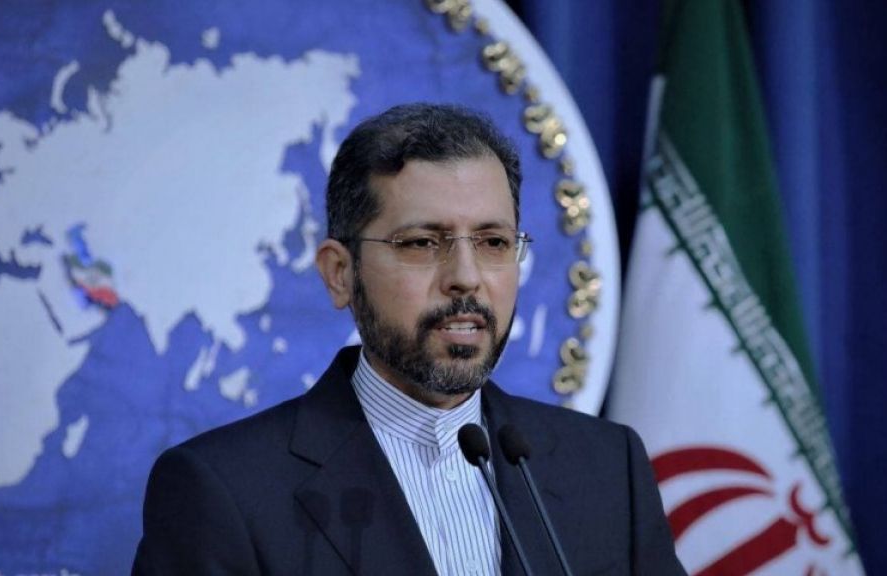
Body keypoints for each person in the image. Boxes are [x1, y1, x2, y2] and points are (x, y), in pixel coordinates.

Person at [132, 103, 685, 575]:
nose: (466, 277)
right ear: (340, 274)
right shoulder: (223, 490)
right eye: (422, 243)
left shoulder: (607, 467)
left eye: (493, 242)